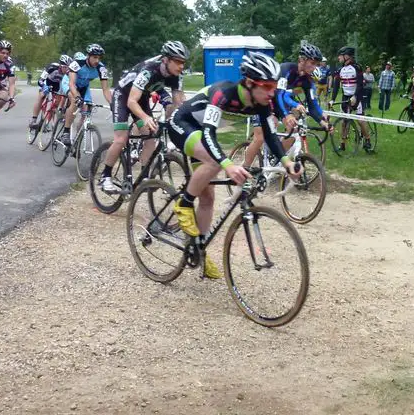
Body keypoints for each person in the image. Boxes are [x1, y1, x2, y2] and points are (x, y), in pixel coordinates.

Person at [167, 52, 300, 279]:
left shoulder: (261, 103)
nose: (272, 92)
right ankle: (183, 203)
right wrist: (228, 165)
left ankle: (198, 249)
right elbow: (208, 133)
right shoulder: (224, 92)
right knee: (215, 162)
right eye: (267, 86)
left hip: (202, 133)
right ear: (249, 83)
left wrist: (288, 163)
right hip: (182, 124)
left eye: (274, 86)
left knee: (208, 198)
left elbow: (269, 135)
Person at [98, 41, 188, 194]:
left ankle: (144, 177)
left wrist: (180, 115)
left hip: (142, 98)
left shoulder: (177, 76)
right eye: (178, 62)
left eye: (183, 63)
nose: (181, 66)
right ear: (166, 60)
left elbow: (179, 102)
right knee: (121, 138)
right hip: (123, 96)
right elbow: (131, 102)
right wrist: (145, 117)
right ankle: (105, 176)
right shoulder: (149, 70)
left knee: (151, 137)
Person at [241, 41, 330, 166]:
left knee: (293, 130)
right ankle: (244, 171)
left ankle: (275, 155)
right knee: (261, 135)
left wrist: (322, 121)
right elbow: (279, 94)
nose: (315, 67)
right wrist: (286, 115)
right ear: (302, 60)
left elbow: (313, 104)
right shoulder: (287, 69)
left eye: (317, 64)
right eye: (312, 63)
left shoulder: (307, 80)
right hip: (263, 101)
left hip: (278, 104)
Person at [59, 44, 112, 146]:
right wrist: (77, 97)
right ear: (88, 56)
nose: (97, 60)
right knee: (75, 101)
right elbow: (72, 84)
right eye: (95, 57)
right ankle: (66, 132)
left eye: (99, 58)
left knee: (87, 108)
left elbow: (105, 89)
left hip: (84, 86)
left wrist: (112, 103)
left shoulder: (101, 68)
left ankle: (77, 140)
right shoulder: (78, 63)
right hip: (69, 82)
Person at [331, 46, 373, 153]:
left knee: (360, 120)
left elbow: (360, 85)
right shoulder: (340, 70)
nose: (338, 58)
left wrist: (355, 96)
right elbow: (336, 86)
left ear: (346, 56)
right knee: (344, 122)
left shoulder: (357, 67)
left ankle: (368, 140)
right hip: (346, 96)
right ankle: (343, 144)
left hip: (357, 96)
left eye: (340, 55)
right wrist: (332, 99)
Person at [29, 55, 70, 128]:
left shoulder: (69, 73)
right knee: (41, 96)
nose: (66, 70)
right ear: (60, 65)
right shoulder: (52, 67)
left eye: (68, 67)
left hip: (57, 85)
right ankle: (34, 119)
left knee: (55, 104)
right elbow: (40, 80)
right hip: (47, 82)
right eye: (64, 67)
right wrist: (44, 87)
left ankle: (47, 122)